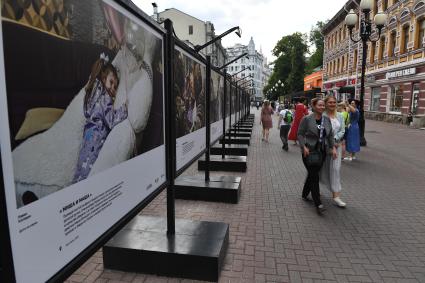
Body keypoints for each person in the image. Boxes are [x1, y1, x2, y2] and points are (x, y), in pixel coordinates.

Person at [73, 54, 127, 183]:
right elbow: (112, 120)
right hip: (95, 137)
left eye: (115, 87)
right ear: (103, 77)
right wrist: (124, 109)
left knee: (80, 169)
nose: (112, 89)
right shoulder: (104, 97)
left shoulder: (91, 94)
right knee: (88, 172)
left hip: (87, 136)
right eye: (111, 82)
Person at [298, 98, 337, 215]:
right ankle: (318, 203)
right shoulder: (306, 119)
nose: (322, 107)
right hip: (308, 152)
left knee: (312, 174)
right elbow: (300, 133)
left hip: (321, 152)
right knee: (314, 176)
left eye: (322, 105)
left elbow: (330, 135)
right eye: (319, 105)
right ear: (314, 106)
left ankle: (305, 194)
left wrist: (332, 147)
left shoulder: (326, 119)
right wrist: (303, 147)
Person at [321, 96, 346, 207]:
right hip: (324, 147)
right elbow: (322, 132)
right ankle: (315, 189)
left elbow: (342, 130)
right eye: (330, 102)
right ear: (325, 104)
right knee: (321, 168)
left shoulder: (340, 116)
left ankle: (336, 196)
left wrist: (334, 140)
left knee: (335, 170)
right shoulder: (322, 116)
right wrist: (330, 143)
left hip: (337, 146)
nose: (332, 104)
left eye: (334, 102)